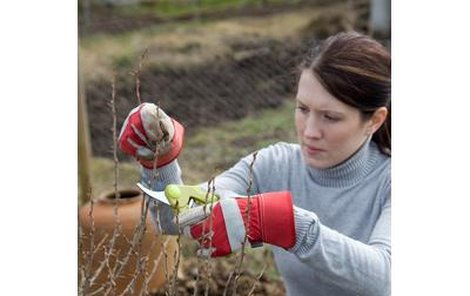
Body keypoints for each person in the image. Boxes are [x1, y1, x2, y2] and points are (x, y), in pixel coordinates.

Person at [118, 31, 391, 296]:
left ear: (375, 120)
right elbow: (178, 220)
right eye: (303, 109)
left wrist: (287, 224)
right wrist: (159, 160)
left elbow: (383, 278)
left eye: (330, 117)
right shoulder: (276, 165)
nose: (309, 131)